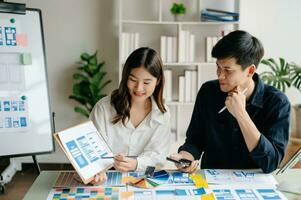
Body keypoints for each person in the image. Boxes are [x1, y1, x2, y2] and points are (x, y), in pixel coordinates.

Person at [171, 30, 291, 173]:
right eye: (218, 67)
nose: (220, 75)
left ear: (250, 71)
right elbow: (195, 140)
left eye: (228, 70)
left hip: (255, 185)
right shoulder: (208, 91)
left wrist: (241, 114)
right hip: (212, 182)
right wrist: (185, 158)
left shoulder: (277, 103)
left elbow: (271, 162)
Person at [89, 47, 171, 184]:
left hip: (144, 180)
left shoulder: (162, 114)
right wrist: (95, 172)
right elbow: (92, 153)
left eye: (146, 82)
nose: (139, 88)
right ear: (126, 77)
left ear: (157, 81)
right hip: (106, 181)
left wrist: (136, 164)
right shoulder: (103, 108)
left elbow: (158, 160)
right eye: (133, 80)